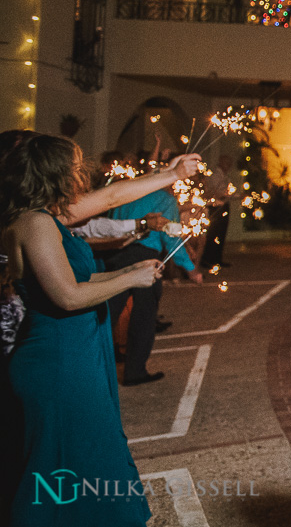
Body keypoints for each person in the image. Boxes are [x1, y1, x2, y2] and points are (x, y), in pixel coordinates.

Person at [0, 130, 200, 525]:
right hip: (58, 362)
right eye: (74, 167)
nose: (82, 172)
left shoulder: (47, 218)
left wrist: (129, 267)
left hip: (78, 353)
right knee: (66, 468)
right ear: (51, 173)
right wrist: (130, 281)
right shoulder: (34, 224)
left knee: (92, 456)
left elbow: (109, 200)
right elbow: (68, 297)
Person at [107, 160, 203, 386]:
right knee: (143, 317)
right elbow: (171, 239)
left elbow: (109, 223)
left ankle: (98, 364)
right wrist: (191, 270)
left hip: (115, 254)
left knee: (107, 314)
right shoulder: (166, 200)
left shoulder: (127, 191)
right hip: (145, 258)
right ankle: (134, 371)